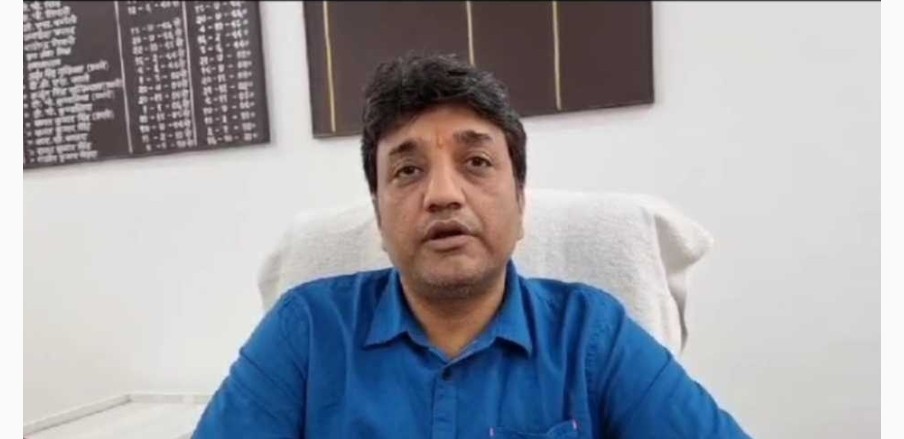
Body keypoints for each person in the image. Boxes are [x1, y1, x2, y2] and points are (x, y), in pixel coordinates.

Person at [193, 53, 749, 438]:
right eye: (407, 170)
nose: (442, 194)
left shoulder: (592, 336)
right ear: (379, 219)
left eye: (476, 162)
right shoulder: (306, 332)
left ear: (521, 203)